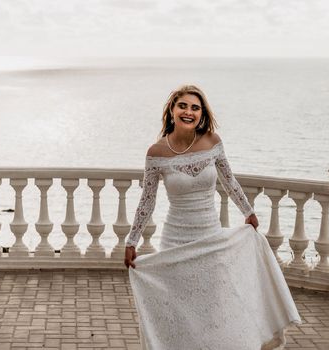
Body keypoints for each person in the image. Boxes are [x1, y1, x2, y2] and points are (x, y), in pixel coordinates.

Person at [124, 85, 301, 350]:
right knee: (181, 308)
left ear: (202, 114)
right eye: (183, 106)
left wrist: (248, 212)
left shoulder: (212, 142)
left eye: (195, 107)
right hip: (176, 241)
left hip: (210, 236)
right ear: (172, 110)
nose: (188, 112)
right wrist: (131, 241)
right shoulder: (156, 153)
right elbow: (147, 200)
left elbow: (229, 181)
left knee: (213, 306)